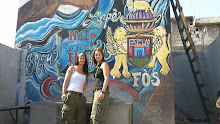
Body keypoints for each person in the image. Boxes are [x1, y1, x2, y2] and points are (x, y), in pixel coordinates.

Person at [61, 52, 88, 124]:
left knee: (82, 119)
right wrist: (63, 93)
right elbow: (65, 82)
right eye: (80, 58)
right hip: (71, 96)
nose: (82, 60)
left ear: (85, 60)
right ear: (78, 59)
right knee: (68, 117)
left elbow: (84, 85)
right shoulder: (72, 68)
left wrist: (83, 94)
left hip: (80, 98)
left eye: (83, 58)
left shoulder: (85, 72)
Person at [90, 48, 110, 124]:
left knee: (97, 117)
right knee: (94, 116)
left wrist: (103, 92)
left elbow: (106, 78)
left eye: (99, 54)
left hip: (101, 91)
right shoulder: (98, 65)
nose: (97, 56)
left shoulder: (104, 64)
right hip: (97, 91)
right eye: (96, 55)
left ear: (102, 55)